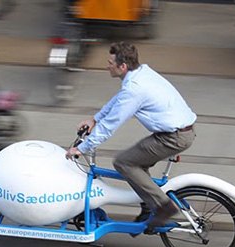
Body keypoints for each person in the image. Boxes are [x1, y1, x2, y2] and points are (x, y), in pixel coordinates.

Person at [65, 42, 196, 233]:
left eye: (110, 62)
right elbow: (119, 99)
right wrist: (95, 119)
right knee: (138, 164)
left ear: (123, 66)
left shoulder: (135, 89)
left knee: (124, 163)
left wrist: (81, 148)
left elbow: (111, 126)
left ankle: (163, 206)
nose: (107, 65)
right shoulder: (141, 72)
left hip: (173, 137)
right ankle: (147, 206)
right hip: (179, 131)